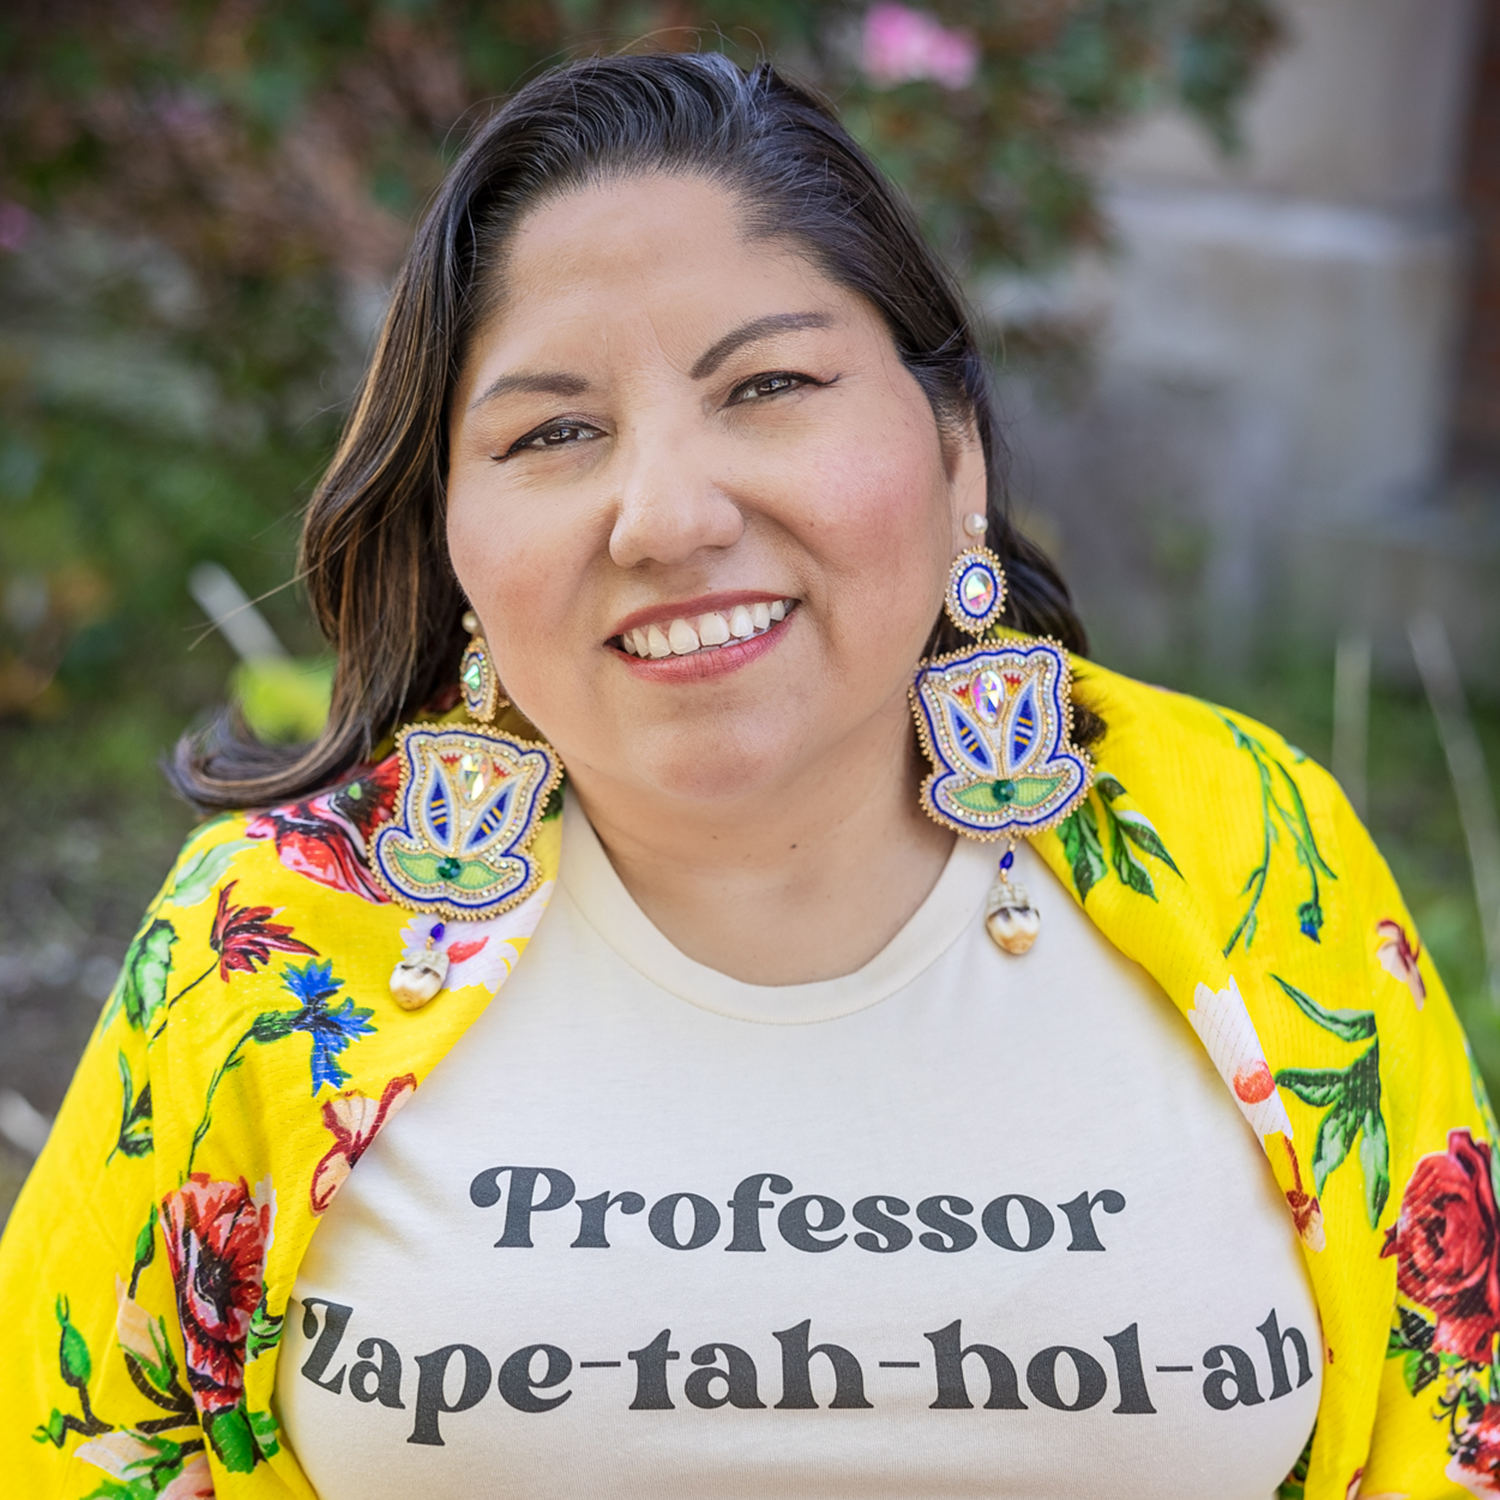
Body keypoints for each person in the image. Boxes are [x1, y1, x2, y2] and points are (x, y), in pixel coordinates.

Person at [0, 49, 1490, 1500]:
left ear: (956, 447)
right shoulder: (269, 945)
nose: (662, 513)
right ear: (454, 535)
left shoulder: (1246, 845)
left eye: (767, 385)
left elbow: (1451, 1427)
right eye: (555, 429)